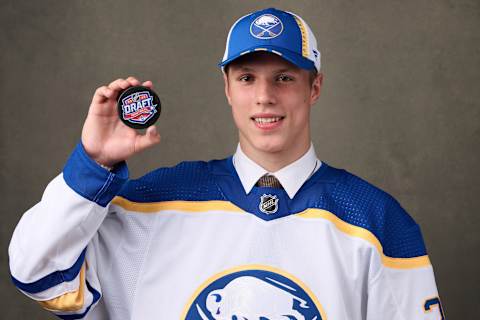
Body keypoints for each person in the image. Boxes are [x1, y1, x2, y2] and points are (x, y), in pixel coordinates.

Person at [8, 7, 444, 320]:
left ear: (315, 88)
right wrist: (93, 163)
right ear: (227, 87)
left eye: (285, 77)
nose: (264, 97)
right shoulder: (154, 205)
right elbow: (36, 271)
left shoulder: (377, 221)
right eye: (247, 77)